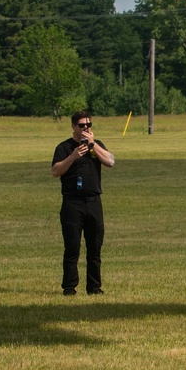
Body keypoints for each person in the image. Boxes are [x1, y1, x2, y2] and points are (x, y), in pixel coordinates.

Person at [51, 111, 115, 295]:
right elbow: (55, 171)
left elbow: (110, 161)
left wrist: (93, 145)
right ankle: (69, 287)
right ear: (73, 127)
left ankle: (94, 287)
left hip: (94, 202)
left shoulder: (97, 146)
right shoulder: (64, 147)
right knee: (72, 248)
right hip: (73, 203)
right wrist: (73, 156)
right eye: (82, 126)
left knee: (95, 248)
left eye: (89, 125)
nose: (86, 128)